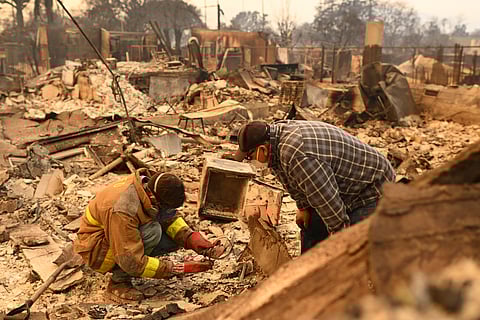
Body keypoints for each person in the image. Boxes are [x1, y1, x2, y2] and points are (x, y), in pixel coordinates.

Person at [231, 120, 395, 253]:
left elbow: (328, 202)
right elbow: (291, 180)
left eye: (249, 157)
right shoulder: (275, 142)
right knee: (311, 226)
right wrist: (303, 207)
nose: (249, 160)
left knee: (351, 243)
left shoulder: (298, 154)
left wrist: (340, 239)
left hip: (372, 187)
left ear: (261, 149)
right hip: (343, 185)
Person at [74, 169, 224, 302]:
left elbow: (168, 217)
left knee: (172, 237)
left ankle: (136, 264)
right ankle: (118, 283)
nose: (169, 211)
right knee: (153, 231)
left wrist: (190, 238)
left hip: (119, 235)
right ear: (152, 197)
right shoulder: (123, 209)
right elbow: (130, 260)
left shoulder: (152, 186)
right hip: (97, 250)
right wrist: (177, 268)